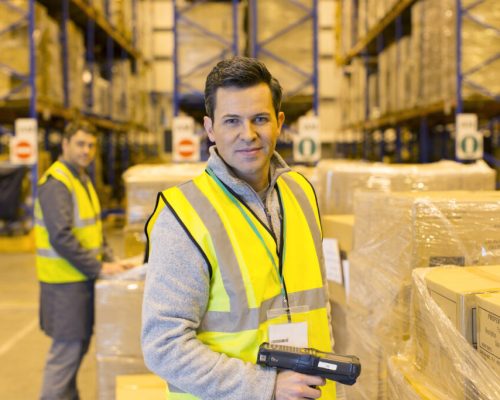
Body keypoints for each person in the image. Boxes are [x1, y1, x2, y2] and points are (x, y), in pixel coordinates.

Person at [142, 56, 335, 400]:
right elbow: (163, 344)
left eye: (259, 119)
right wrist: (267, 386)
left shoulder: (301, 193)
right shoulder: (184, 216)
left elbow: (320, 304)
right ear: (210, 128)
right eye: (232, 121)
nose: (248, 134)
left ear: (279, 122)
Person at [35, 121, 125, 400]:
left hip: (80, 281)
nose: (86, 150)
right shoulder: (57, 183)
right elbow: (61, 237)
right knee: (65, 357)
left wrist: (112, 260)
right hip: (65, 285)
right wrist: (98, 266)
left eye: (90, 145)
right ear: (65, 144)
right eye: (80, 144)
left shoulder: (81, 179)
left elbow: (93, 231)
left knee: (76, 352)